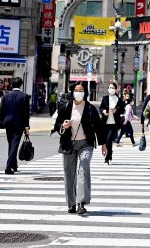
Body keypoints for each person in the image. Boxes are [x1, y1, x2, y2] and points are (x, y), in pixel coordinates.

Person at [54, 82, 107, 215]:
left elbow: (99, 127)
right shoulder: (65, 106)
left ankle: (81, 203)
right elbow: (57, 124)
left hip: (86, 144)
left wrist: (104, 145)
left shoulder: (90, 108)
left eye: (81, 90)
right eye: (76, 90)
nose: (78, 92)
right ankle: (71, 204)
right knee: (69, 174)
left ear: (85, 92)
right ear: (72, 92)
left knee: (84, 170)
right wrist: (63, 126)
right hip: (68, 144)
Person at [0, 77, 30, 175]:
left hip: (8, 122)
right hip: (18, 123)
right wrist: (27, 127)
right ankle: (8, 166)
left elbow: (1, 111)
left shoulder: (6, 96)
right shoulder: (24, 96)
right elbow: (25, 113)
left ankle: (14, 165)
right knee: (14, 145)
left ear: (12, 85)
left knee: (11, 144)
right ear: (21, 85)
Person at [98, 82, 124, 163]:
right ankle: (110, 153)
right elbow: (101, 107)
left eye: (113, 88)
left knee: (109, 140)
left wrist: (117, 110)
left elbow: (123, 110)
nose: (111, 89)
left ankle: (107, 157)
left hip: (114, 124)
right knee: (106, 141)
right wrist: (104, 111)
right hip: (105, 123)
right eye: (110, 87)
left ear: (116, 89)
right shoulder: (105, 98)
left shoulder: (119, 100)